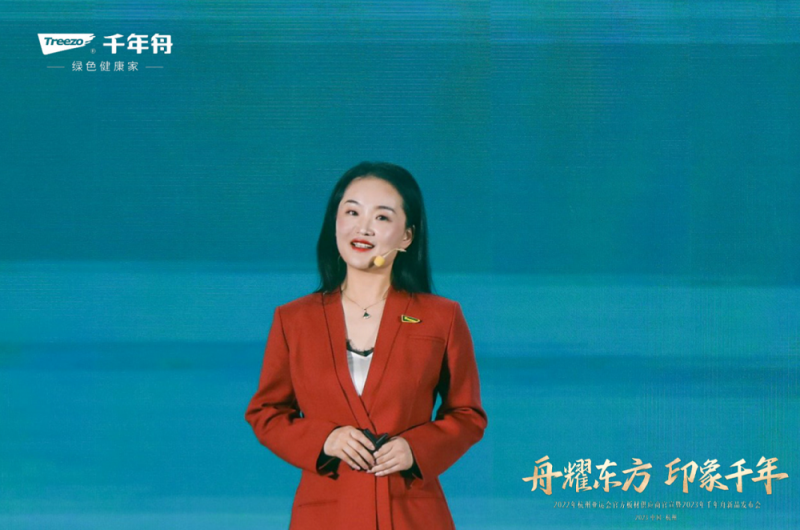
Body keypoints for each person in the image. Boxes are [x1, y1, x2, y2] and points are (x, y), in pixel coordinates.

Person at [244, 161, 488, 530]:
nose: (363, 228)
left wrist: (416, 449)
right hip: (325, 513)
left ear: (407, 236)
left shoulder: (442, 317)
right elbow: (267, 413)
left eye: (382, 217)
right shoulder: (293, 319)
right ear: (335, 223)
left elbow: (467, 414)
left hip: (411, 512)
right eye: (352, 212)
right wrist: (325, 440)